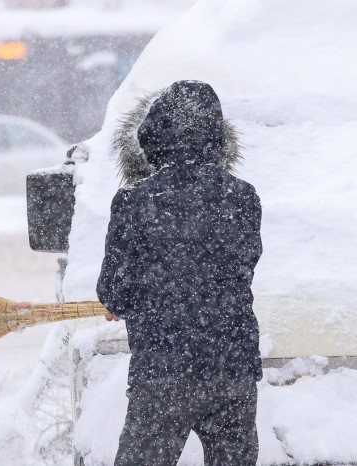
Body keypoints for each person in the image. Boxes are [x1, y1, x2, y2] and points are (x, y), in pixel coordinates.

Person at [97, 80, 263, 466]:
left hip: (164, 371)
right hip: (232, 370)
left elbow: (116, 292)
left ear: (153, 134)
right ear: (217, 137)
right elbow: (242, 268)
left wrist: (123, 301)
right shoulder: (243, 197)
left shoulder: (135, 201)